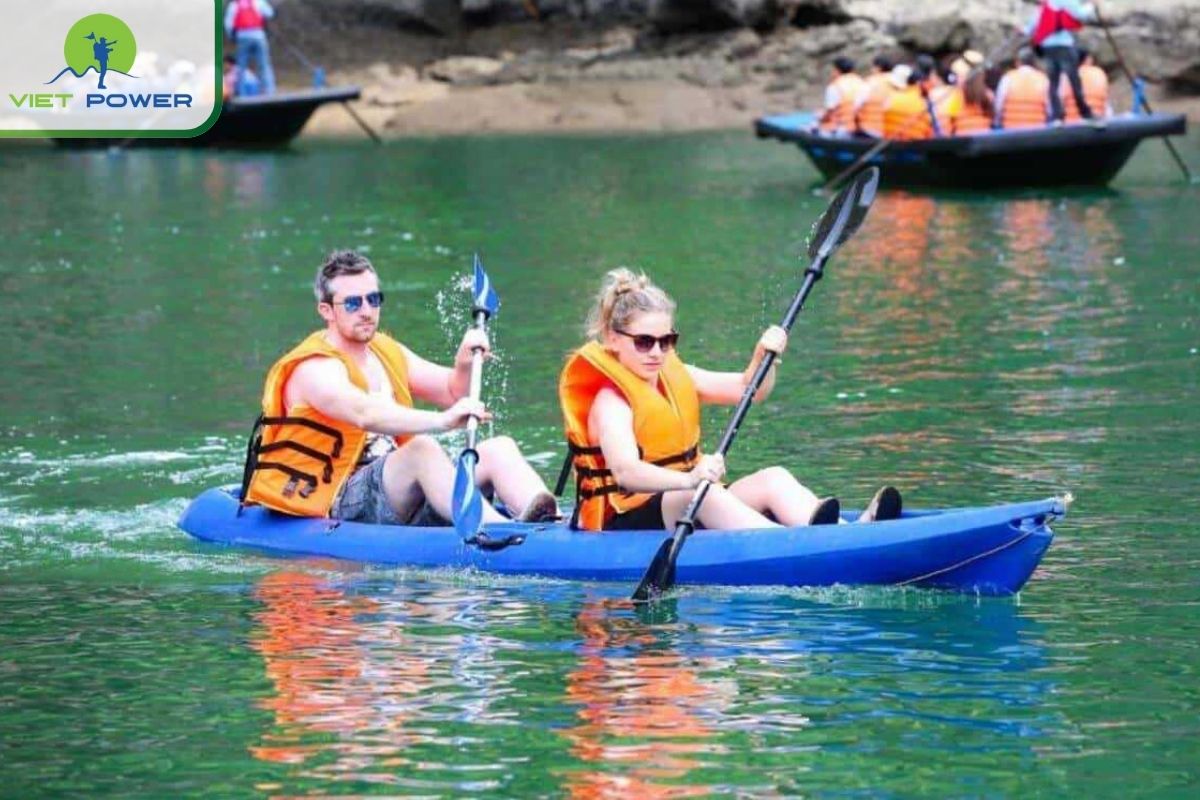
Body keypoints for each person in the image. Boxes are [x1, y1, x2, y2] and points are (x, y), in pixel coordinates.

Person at [558, 269, 901, 533]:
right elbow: (626, 472)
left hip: (685, 499)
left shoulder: (677, 376)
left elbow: (751, 389)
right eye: (645, 342)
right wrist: (691, 479)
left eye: (667, 341)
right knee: (702, 494)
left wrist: (764, 358)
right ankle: (791, 545)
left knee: (774, 477)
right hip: (622, 519)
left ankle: (849, 533)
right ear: (613, 339)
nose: (658, 352)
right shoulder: (610, 401)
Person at [241, 250, 558, 527]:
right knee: (421, 450)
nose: (366, 310)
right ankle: (500, 533)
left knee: (497, 448)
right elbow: (364, 414)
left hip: (398, 489)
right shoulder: (315, 368)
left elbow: (451, 391)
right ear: (327, 311)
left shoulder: (385, 350)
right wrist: (442, 421)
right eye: (352, 303)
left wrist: (463, 362)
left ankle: (548, 524)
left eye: (373, 299)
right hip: (338, 494)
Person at [1027, 0, 1097, 125]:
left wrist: (1025, 30)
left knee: (1054, 82)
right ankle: (1085, 113)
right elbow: (1081, 14)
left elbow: (1034, 23)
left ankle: (1056, 116)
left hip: (1048, 47)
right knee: (1074, 80)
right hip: (1064, 46)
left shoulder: (1047, 3)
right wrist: (1091, 5)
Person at [224, 0, 277, 95]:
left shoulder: (234, 5)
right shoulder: (258, 1)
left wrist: (232, 36)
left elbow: (228, 24)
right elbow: (270, 13)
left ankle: (241, 92)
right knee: (264, 65)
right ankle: (269, 91)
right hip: (259, 35)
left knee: (241, 66)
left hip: (242, 36)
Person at [994, 50, 1050, 129]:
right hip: (1037, 130)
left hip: (1011, 130)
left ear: (1018, 62)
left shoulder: (1008, 78)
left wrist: (997, 122)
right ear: (1033, 62)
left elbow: (998, 106)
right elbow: (1050, 109)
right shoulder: (1043, 79)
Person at [881, 64, 935, 140]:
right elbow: (929, 132)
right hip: (917, 146)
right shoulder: (924, 103)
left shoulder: (891, 99)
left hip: (890, 145)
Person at [817, 57, 866, 136]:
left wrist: (820, 118)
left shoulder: (835, 86)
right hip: (860, 128)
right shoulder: (862, 83)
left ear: (837, 71)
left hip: (841, 128)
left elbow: (830, 110)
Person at [1062, 48, 1111, 122]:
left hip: (1070, 125)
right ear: (1087, 59)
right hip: (1096, 122)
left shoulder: (1065, 76)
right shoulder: (1099, 74)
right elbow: (1106, 105)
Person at [853, 54, 895, 137]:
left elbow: (856, 105)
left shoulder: (870, 83)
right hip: (893, 131)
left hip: (871, 130)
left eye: (873, 67)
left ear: (878, 68)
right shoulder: (898, 83)